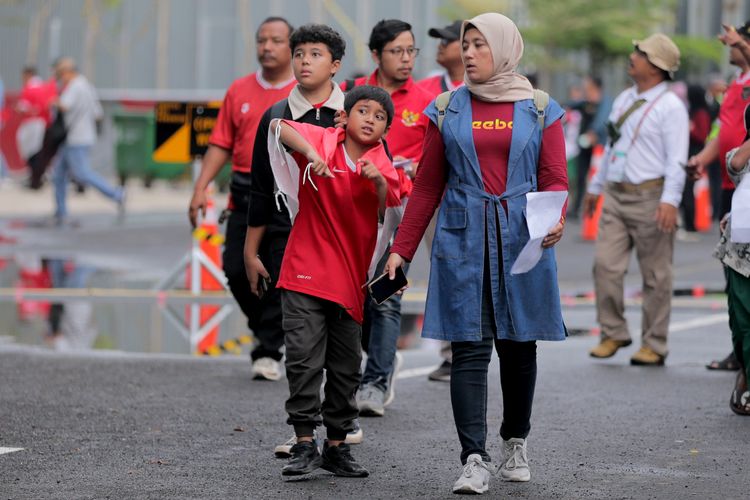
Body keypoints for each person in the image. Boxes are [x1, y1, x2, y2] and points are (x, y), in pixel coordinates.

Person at [384, 13, 568, 494]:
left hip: (521, 237)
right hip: (461, 236)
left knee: (518, 345)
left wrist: (556, 217)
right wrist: (400, 250)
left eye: (480, 45)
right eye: (465, 44)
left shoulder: (541, 107)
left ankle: (515, 442)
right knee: (468, 348)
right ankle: (473, 457)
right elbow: (426, 187)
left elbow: (554, 178)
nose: (468, 53)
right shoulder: (446, 108)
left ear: (505, 49)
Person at [257, 85, 400, 478]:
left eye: (379, 117)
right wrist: (310, 152)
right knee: (303, 359)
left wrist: (378, 183)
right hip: (304, 271)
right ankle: (304, 443)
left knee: (345, 369)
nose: (370, 119)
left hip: (350, 284)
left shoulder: (382, 164)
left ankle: (336, 447)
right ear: (343, 116)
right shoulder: (322, 138)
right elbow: (276, 126)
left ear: (386, 129)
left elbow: (392, 213)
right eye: (363, 111)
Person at [241, 22, 362, 455]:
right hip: (289, 242)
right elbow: (260, 187)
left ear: (335, 64)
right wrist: (251, 250)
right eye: (300, 54)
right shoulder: (276, 117)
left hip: (346, 248)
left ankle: (339, 428)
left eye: (315, 54)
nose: (304, 61)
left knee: (344, 346)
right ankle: (304, 432)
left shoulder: (355, 112)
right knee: (302, 343)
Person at [188, 17, 296, 381]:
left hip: (287, 193)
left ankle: (267, 348)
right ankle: (270, 332)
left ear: (291, 46)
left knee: (281, 272)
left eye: (276, 40)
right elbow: (221, 141)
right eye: (261, 40)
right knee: (236, 269)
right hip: (244, 191)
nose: (267, 47)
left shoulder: (303, 90)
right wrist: (201, 186)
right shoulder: (239, 89)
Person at [341, 18, 433, 418]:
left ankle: (375, 381)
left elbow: (440, 151)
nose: (407, 59)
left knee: (386, 296)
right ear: (376, 55)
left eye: (412, 50)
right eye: (397, 51)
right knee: (356, 296)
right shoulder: (352, 92)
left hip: (403, 212)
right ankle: (377, 359)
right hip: (355, 210)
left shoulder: (430, 97)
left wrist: (418, 167)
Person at [584, 34, 688, 365]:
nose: (632, 56)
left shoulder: (671, 106)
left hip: (651, 196)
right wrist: (595, 187)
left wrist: (670, 200)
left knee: (656, 275)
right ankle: (613, 331)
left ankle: (654, 344)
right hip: (616, 193)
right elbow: (613, 147)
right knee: (605, 266)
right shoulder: (624, 98)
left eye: (640, 53)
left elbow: (677, 159)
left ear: (656, 66)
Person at [688, 21, 750, 372]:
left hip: (747, 186)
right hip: (731, 186)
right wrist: (702, 159)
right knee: (733, 271)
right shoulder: (735, 85)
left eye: (735, 39)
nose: (727, 42)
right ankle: (740, 349)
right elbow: (723, 133)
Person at [417, 19, 467, 383]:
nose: (440, 46)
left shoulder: (490, 90)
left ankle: (480, 347)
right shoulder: (425, 90)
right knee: (448, 271)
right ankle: (453, 354)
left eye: (448, 40)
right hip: (435, 196)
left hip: (478, 197)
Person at [51, 58, 124, 226]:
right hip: (81, 137)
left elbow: (65, 106)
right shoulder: (87, 85)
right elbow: (97, 113)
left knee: (82, 173)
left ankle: (116, 194)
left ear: (68, 72)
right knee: (59, 174)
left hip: (75, 138)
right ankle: (60, 210)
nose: (61, 78)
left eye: (61, 74)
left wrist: (52, 99)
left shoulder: (75, 86)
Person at [718, 134, 750, 416]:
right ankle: (745, 371)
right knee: (741, 321)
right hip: (741, 257)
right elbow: (736, 164)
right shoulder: (739, 155)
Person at [568, 76, 612, 220]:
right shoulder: (585, 103)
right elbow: (570, 105)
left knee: (597, 178)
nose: (585, 89)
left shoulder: (605, 102)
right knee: (581, 177)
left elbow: (602, 120)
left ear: (595, 87)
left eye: (587, 86)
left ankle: (599, 209)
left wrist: (593, 132)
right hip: (584, 147)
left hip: (598, 148)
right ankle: (576, 208)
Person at [678, 84, 711, 238]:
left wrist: (691, 128)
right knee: (685, 190)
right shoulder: (692, 111)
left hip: (696, 154)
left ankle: (691, 226)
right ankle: (687, 223)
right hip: (688, 153)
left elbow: (702, 134)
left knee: (688, 190)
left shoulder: (701, 113)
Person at [417, 20, 465, 96]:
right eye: (441, 41)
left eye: (446, 40)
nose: (439, 46)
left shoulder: (482, 90)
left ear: (466, 45)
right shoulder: (421, 88)